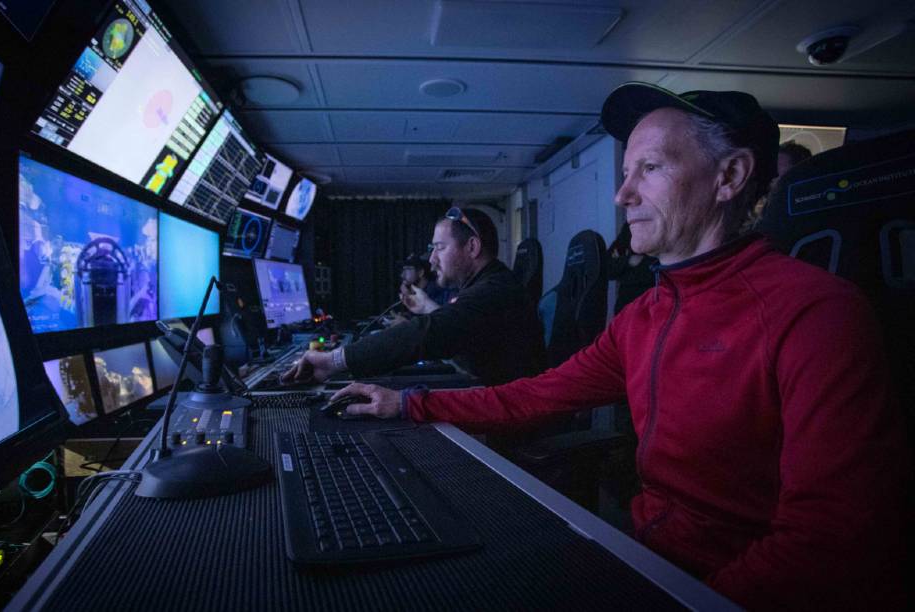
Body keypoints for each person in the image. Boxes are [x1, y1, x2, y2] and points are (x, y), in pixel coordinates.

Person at [327, 83, 908, 609]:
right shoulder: (645, 314)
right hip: (646, 557)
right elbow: (536, 395)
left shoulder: (815, 312)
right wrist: (408, 404)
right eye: (625, 172)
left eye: (649, 167)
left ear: (729, 177)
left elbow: (825, 542)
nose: (621, 196)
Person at [282, 207, 545, 386]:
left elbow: (428, 333)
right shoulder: (492, 284)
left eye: (439, 248)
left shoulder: (493, 291)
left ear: (472, 247)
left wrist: (333, 361)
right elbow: (456, 328)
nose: (431, 259)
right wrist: (429, 307)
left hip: (511, 420)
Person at [604, 223, 656, 315]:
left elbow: (653, 271)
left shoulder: (659, 227)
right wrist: (628, 260)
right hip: (624, 307)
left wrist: (622, 267)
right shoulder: (630, 227)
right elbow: (606, 268)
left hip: (650, 306)